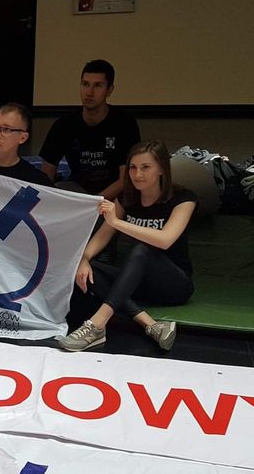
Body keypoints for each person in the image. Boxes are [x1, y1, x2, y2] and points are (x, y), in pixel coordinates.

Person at [59, 140, 197, 352]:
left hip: (174, 285)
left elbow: (165, 239)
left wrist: (116, 222)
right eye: (133, 167)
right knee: (88, 268)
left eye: (145, 167)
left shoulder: (183, 199)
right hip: (136, 284)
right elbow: (101, 238)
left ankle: (97, 324)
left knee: (143, 250)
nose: (137, 174)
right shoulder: (127, 198)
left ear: (162, 169)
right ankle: (150, 324)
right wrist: (84, 259)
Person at [39, 59, 140, 199]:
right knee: (58, 188)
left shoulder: (124, 123)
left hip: (114, 195)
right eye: (85, 84)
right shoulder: (64, 124)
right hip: (78, 191)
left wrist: (95, 203)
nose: (89, 92)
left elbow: (125, 178)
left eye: (98, 86)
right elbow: (47, 171)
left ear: (109, 90)